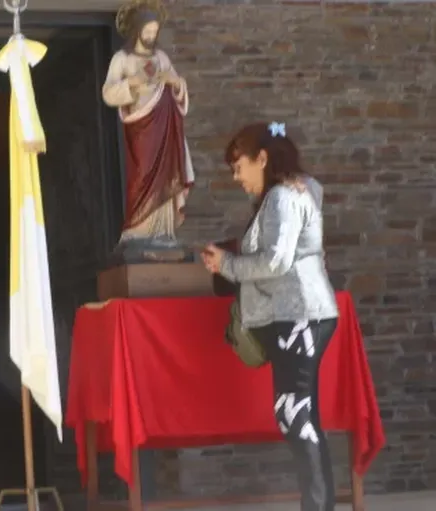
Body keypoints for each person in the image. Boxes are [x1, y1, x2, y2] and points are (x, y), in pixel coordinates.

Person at [201, 122, 339, 511]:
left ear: (262, 159)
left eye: (238, 165)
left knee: (295, 415)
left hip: (299, 316)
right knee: (298, 414)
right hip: (301, 315)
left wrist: (227, 263)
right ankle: (317, 504)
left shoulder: (281, 197)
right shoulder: (292, 192)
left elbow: (276, 261)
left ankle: (317, 506)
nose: (236, 176)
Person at [102, 3, 195, 248]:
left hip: (164, 124)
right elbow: (108, 93)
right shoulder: (122, 59)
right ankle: (138, 229)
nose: (152, 36)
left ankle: (163, 232)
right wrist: (131, 83)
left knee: (165, 173)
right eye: (148, 31)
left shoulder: (161, 58)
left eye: (155, 32)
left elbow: (178, 86)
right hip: (141, 127)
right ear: (136, 30)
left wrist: (173, 81)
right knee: (142, 175)